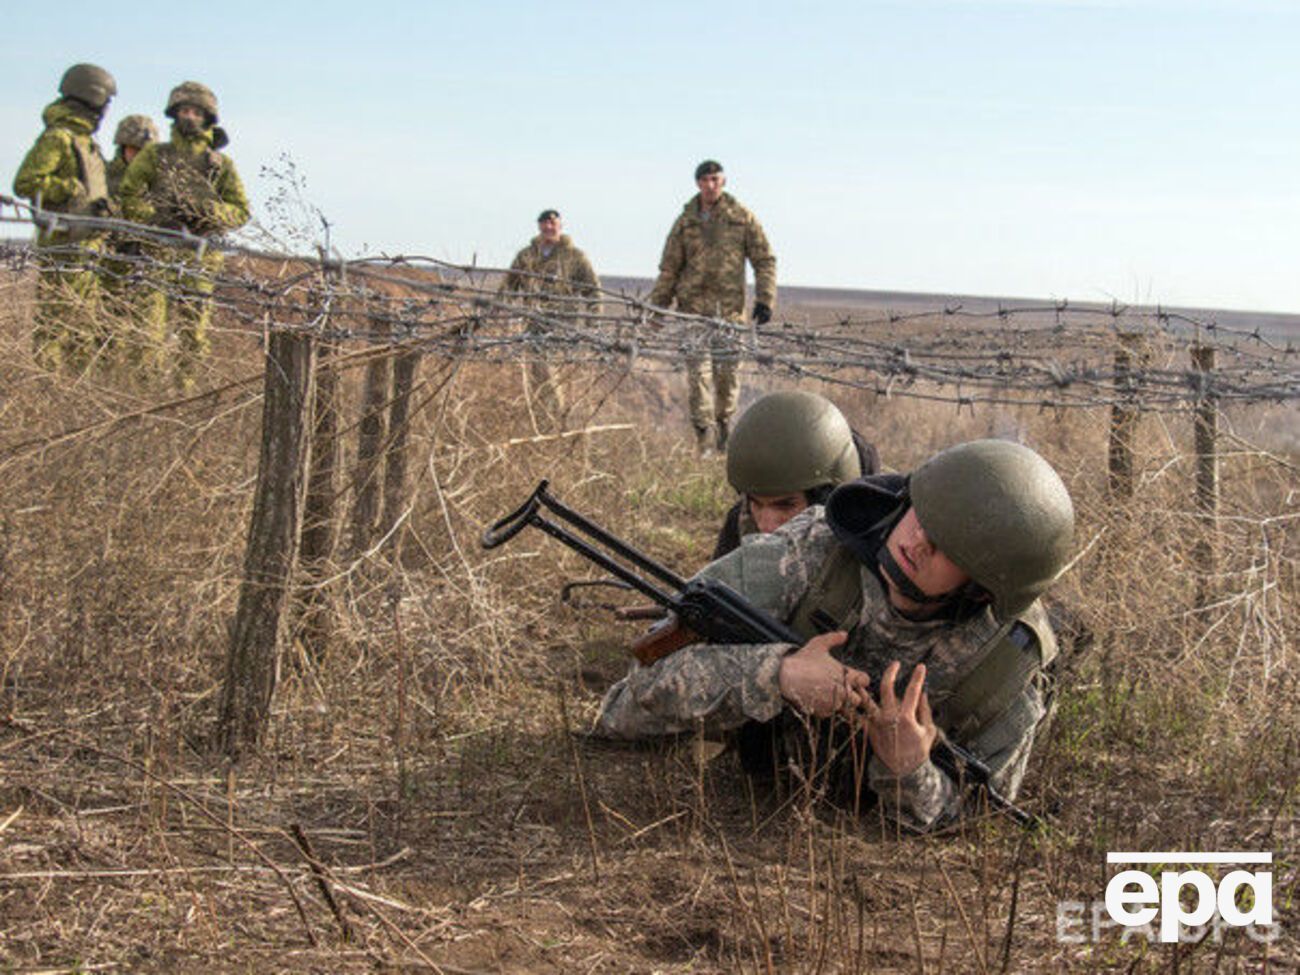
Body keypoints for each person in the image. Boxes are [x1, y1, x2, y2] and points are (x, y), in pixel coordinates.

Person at [594, 439, 1074, 833]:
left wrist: (909, 771)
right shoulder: (810, 553)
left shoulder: (1006, 662)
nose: (919, 542)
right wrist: (776, 674)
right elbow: (627, 705)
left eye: (949, 549)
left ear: (981, 588)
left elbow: (981, 822)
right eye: (923, 516)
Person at [119, 81, 249, 391]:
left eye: (195, 111)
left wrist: (207, 214)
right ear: (174, 114)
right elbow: (129, 193)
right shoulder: (155, 155)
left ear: (207, 118)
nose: (189, 117)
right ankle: (144, 395)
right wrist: (155, 220)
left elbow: (241, 211)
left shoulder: (220, 165)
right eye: (183, 111)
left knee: (194, 335)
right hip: (158, 253)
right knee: (148, 331)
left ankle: (183, 393)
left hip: (201, 258)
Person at [648, 160, 776, 453]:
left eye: (715, 179)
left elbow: (764, 259)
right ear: (698, 184)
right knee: (699, 376)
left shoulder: (741, 218)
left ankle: (725, 431)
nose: (710, 185)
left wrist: (764, 299)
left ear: (723, 182)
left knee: (728, 376)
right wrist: (658, 310)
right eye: (705, 180)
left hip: (729, 312)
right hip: (692, 311)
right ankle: (704, 438)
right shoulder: (685, 222)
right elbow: (669, 268)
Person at [12, 63, 116, 372]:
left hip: (89, 250)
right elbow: (26, 182)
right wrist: (67, 188)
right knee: (56, 330)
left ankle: (71, 392)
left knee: (83, 331)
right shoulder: (58, 138)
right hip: (64, 247)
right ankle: (49, 389)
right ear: (93, 98)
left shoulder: (88, 143)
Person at [713, 390, 881, 559]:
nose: (766, 526)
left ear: (828, 499)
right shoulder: (743, 521)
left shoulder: (881, 536)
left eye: (785, 505)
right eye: (755, 503)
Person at [499, 209, 601, 427]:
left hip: (561, 325)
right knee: (537, 375)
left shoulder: (574, 256)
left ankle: (555, 421)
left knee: (549, 372)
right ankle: (542, 421)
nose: (548, 227)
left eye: (553, 223)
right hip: (532, 324)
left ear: (560, 226)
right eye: (544, 223)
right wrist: (496, 314)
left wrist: (593, 324)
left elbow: (593, 290)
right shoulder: (527, 256)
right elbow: (509, 286)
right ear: (539, 226)